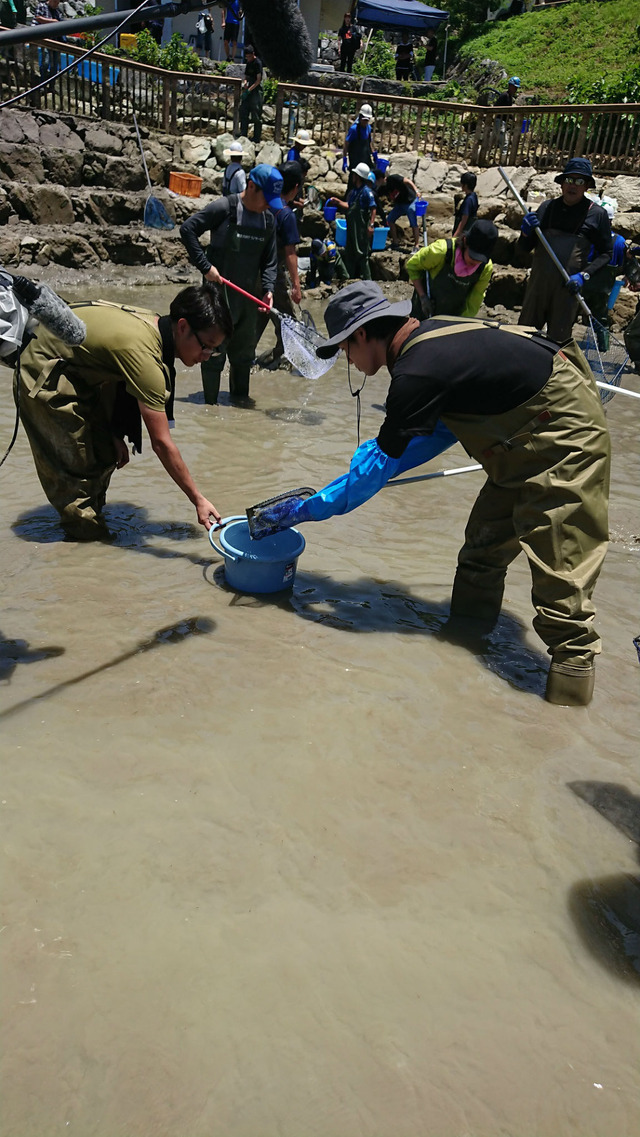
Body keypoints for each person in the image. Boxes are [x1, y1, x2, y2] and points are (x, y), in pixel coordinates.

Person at [256, 281, 611, 707]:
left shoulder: (416, 372)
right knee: (482, 552)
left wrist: (311, 508)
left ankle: (566, 716)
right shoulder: (430, 338)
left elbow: (380, 466)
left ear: (363, 335)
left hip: (561, 439)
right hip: (517, 441)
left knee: (561, 585)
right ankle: (461, 651)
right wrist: (370, 465)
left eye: (345, 350)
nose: (349, 360)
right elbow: (429, 436)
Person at [15, 285, 233, 542]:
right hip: (43, 368)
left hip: (77, 369)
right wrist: (197, 499)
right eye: (206, 346)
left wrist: (114, 431)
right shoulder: (145, 357)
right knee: (77, 472)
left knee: (105, 453)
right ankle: (86, 546)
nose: (207, 357)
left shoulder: (156, 327)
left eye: (214, 350)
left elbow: (110, 366)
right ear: (183, 326)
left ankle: (91, 526)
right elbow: (162, 444)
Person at [179, 164, 279, 405]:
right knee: (212, 355)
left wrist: (268, 290)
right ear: (252, 187)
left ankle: (239, 405)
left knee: (244, 358)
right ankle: (210, 408)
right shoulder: (225, 208)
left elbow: (270, 260)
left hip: (247, 302)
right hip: (218, 300)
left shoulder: (268, 220)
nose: (269, 205)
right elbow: (188, 229)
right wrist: (205, 266)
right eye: (267, 199)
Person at [518, 157, 613, 343]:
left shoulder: (596, 214)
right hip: (538, 287)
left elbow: (606, 253)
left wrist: (584, 275)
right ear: (561, 184)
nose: (573, 186)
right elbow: (522, 249)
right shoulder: (547, 208)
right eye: (569, 180)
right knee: (524, 336)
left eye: (580, 181)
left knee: (558, 342)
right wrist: (525, 233)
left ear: (586, 186)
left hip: (568, 289)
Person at [255, 161, 304, 370]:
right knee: (287, 319)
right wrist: (296, 285)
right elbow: (290, 253)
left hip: (254, 271)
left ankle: (244, 353)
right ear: (295, 188)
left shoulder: (263, 207)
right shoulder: (287, 215)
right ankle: (287, 360)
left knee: (260, 313)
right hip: (274, 274)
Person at [406, 220, 497, 320]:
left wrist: (460, 323)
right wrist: (423, 297)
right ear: (465, 241)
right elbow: (412, 266)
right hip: (424, 311)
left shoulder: (485, 268)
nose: (475, 263)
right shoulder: (440, 251)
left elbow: (474, 301)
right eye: (472, 256)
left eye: (480, 260)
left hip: (453, 317)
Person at [326, 161, 377, 281]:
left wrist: (371, 225)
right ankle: (348, 279)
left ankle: (367, 281)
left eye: (354, 175)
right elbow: (349, 205)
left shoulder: (366, 192)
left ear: (358, 177)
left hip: (360, 229)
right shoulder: (354, 192)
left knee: (362, 253)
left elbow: (373, 208)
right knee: (350, 252)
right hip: (352, 228)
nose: (352, 177)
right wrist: (338, 202)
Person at [385, 171, 421, 252]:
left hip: (410, 201)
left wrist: (417, 191)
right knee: (390, 220)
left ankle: (416, 245)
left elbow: (408, 181)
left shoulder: (393, 178)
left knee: (413, 223)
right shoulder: (382, 187)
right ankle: (395, 242)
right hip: (400, 203)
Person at [342, 104, 374, 188]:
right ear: (360, 117)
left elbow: (369, 142)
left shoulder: (368, 128)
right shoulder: (354, 129)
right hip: (355, 160)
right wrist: (344, 159)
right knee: (353, 183)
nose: (365, 122)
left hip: (365, 158)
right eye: (364, 119)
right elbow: (346, 144)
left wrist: (374, 153)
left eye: (367, 120)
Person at [32, 0, 63, 81]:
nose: (57, 4)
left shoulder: (57, 10)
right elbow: (38, 18)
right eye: (56, 2)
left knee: (54, 65)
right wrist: (52, 21)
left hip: (55, 40)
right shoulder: (41, 6)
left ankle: (51, 86)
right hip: (45, 40)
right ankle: (42, 82)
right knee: (45, 62)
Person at [239, 44, 263, 144]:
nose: (247, 58)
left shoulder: (257, 63)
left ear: (253, 54)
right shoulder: (248, 63)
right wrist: (244, 83)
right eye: (246, 57)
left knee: (256, 114)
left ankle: (256, 138)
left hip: (256, 91)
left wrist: (249, 90)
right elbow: (246, 76)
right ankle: (243, 133)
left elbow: (258, 80)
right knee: (243, 110)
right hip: (248, 89)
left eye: (249, 56)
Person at [493, 76, 520, 154]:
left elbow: (508, 110)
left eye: (516, 88)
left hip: (502, 121)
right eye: (514, 87)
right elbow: (496, 107)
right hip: (500, 121)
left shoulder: (510, 98)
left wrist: (512, 118)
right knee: (504, 143)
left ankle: (480, 158)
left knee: (492, 141)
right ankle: (503, 162)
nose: (515, 90)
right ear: (510, 86)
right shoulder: (504, 96)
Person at [452, 171, 478, 237]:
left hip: (464, 234)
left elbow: (464, 219)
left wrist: (456, 235)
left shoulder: (468, 201)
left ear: (465, 185)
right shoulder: (474, 196)